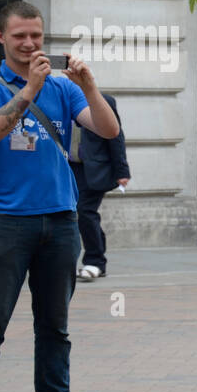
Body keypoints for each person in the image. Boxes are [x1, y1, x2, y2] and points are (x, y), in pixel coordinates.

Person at [0, 0, 118, 392]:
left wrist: (88, 86)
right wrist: (28, 89)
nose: (29, 44)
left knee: (54, 327)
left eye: (36, 36)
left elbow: (107, 130)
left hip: (61, 222)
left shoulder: (63, 88)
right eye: (19, 37)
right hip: (7, 223)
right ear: (1, 38)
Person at [71, 92, 130, 281]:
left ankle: (95, 262)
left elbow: (116, 136)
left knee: (85, 211)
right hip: (69, 167)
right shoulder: (60, 99)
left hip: (95, 169)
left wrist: (122, 171)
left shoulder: (102, 101)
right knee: (75, 214)